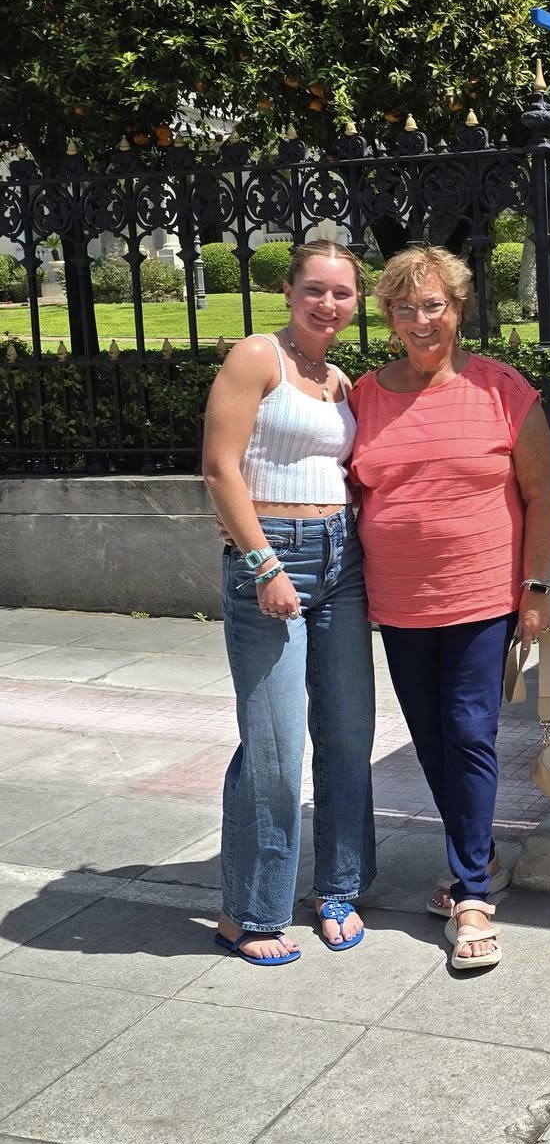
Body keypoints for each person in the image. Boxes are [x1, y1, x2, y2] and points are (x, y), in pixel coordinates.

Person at [348, 245, 550, 973]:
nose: (419, 319)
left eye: (432, 304)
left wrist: (535, 588)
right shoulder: (364, 397)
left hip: (480, 596)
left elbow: (542, 494)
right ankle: (482, 855)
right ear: (388, 316)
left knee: (469, 731)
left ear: (458, 310)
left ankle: (471, 895)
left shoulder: (502, 390)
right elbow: (338, 480)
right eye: (404, 307)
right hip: (399, 602)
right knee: (433, 738)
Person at [201, 240, 376, 965]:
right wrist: (264, 562)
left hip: (343, 560)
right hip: (272, 560)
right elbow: (219, 468)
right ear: (289, 290)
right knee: (275, 747)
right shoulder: (256, 358)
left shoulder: (338, 380)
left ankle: (338, 888)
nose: (328, 304)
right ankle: (249, 911)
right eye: (315, 290)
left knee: (346, 735)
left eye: (342, 293)